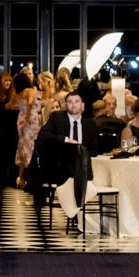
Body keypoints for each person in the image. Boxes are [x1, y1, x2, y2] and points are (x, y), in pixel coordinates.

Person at [37, 91, 92, 222]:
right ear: (66, 105)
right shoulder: (57, 118)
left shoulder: (90, 123)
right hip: (61, 166)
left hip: (84, 166)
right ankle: (75, 212)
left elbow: (94, 149)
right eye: (70, 102)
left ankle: (86, 217)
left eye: (76, 102)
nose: (73, 105)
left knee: (86, 171)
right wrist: (65, 139)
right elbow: (43, 136)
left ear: (82, 105)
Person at [11, 70, 43, 189]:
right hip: (30, 120)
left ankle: (20, 177)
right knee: (30, 146)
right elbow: (30, 104)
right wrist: (27, 116)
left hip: (21, 119)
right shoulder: (30, 90)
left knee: (23, 146)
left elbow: (11, 105)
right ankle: (28, 177)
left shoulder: (20, 92)